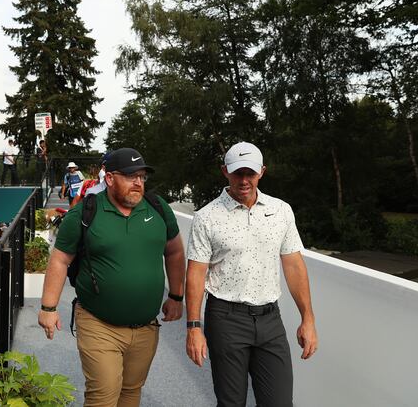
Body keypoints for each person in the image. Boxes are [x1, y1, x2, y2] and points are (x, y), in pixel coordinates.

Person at [38, 148, 186, 406]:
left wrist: (176, 295)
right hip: (98, 324)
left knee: (131, 392)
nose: (138, 182)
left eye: (141, 176)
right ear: (109, 179)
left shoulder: (158, 208)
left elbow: (174, 251)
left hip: (145, 327)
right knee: (103, 395)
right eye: (130, 176)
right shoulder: (85, 213)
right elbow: (60, 259)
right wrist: (48, 307)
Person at [185, 142, 318, 407]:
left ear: (262, 172)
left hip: (270, 319)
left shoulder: (280, 211)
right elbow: (196, 274)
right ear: (225, 172)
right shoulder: (207, 217)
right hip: (225, 319)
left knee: (279, 402)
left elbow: (293, 266)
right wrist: (193, 328)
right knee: (232, 401)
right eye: (237, 173)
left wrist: (308, 318)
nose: (244, 180)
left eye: (250, 173)